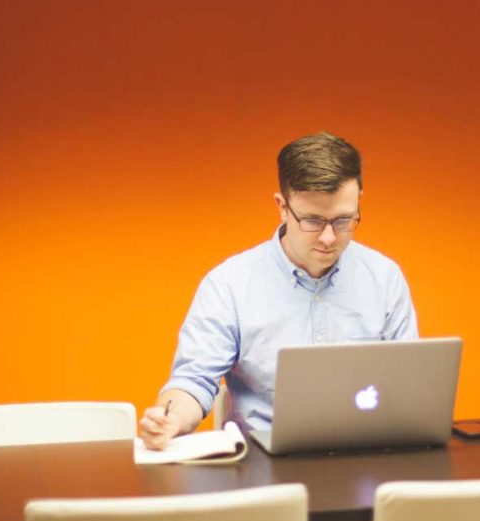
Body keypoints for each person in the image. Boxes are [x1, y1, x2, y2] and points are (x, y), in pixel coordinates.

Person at [139, 131, 418, 450]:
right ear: (282, 207)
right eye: (312, 220)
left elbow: (407, 384)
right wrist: (170, 417)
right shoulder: (229, 284)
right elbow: (193, 382)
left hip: (365, 454)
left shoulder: (384, 277)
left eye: (343, 221)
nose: (328, 238)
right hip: (262, 463)